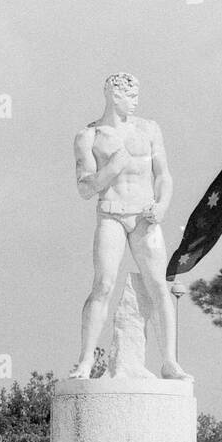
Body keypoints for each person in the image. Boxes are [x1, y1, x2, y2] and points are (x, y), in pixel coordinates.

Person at [70, 72, 190, 380]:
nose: (135, 101)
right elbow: (85, 188)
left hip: (145, 218)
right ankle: (85, 361)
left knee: (159, 286)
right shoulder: (90, 135)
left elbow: (163, 175)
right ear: (113, 94)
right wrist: (112, 166)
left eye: (137, 95)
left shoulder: (149, 130)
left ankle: (169, 361)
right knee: (103, 285)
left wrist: (162, 205)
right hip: (111, 214)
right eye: (130, 96)